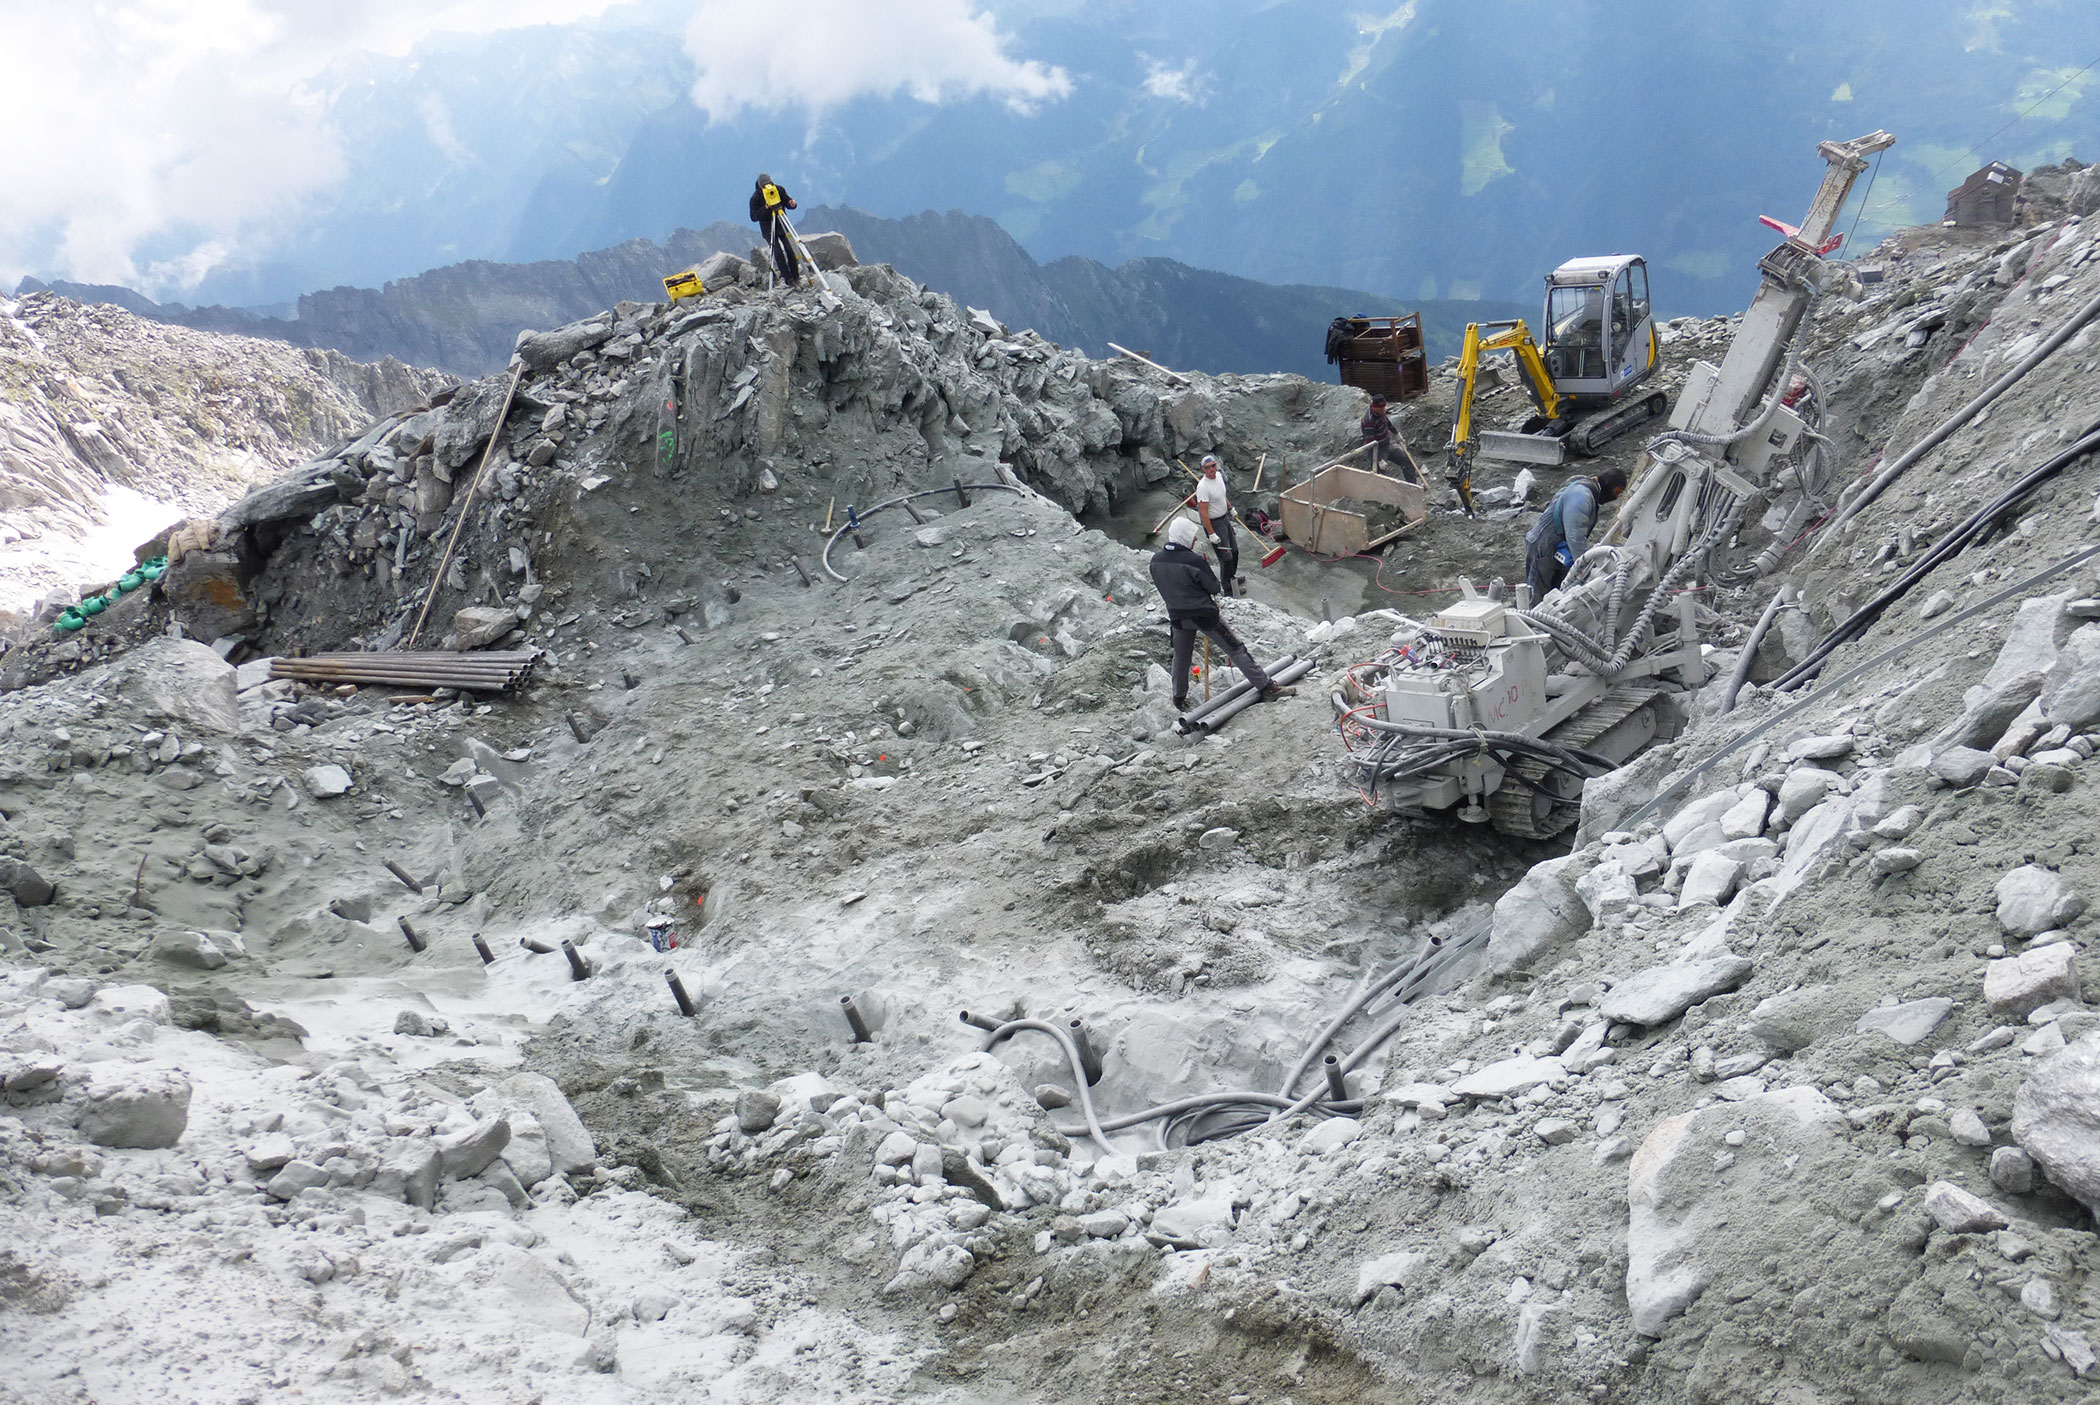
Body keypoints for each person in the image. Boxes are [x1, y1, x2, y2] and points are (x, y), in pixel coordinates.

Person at [1151, 517, 1278, 711]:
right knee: (1235, 649)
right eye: (1192, 537)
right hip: (1205, 615)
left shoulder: (1156, 561)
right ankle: (1266, 687)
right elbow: (1213, 587)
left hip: (1177, 617)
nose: (1194, 541)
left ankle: (1178, 698)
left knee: (1181, 657)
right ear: (1185, 538)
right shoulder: (1193, 561)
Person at [1524, 466, 1626, 602]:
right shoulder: (1581, 496)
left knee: (1556, 592)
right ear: (1608, 484)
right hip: (1543, 546)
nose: (1615, 497)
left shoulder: (1586, 487)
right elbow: (1575, 537)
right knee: (1537, 593)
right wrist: (1585, 566)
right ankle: (1530, 621)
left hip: (1557, 545)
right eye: (1616, 492)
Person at [1192, 454, 1240, 595]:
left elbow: (1222, 495)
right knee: (1226, 557)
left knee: (1235, 551)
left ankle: (1232, 578)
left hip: (1224, 519)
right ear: (1203, 469)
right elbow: (1203, 513)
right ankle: (1228, 588)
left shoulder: (1219, 476)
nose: (1211, 469)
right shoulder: (1203, 487)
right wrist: (1211, 533)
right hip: (1214, 523)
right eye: (1208, 467)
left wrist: (1230, 508)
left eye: (1213, 465)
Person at [749, 173, 800, 287]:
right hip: (769, 229)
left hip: (782, 224)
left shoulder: (779, 190)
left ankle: (796, 276)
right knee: (778, 253)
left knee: (790, 250)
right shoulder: (755, 199)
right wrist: (765, 208)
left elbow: (787, 202)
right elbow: (754, 217)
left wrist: (792, 203)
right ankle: (788, 278)